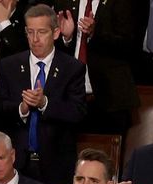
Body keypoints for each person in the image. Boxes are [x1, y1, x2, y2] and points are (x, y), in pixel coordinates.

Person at [0, 4, 86, 184]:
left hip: (56, 165)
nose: (35, 39)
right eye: (30, 32)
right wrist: (21, 109)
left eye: (42, 32)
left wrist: (44, 103)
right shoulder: (8, 66)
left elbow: (78, 112)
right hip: (16, 163)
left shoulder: (72, 68)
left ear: (56, 33)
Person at [54, 0, 140, 135]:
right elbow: (51, 51)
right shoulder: (65, 3)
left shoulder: (121, 3)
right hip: (71, 98)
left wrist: (96, 33)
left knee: (107, 154)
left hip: (109, 99)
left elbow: (129, 46)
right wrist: (67, 38)